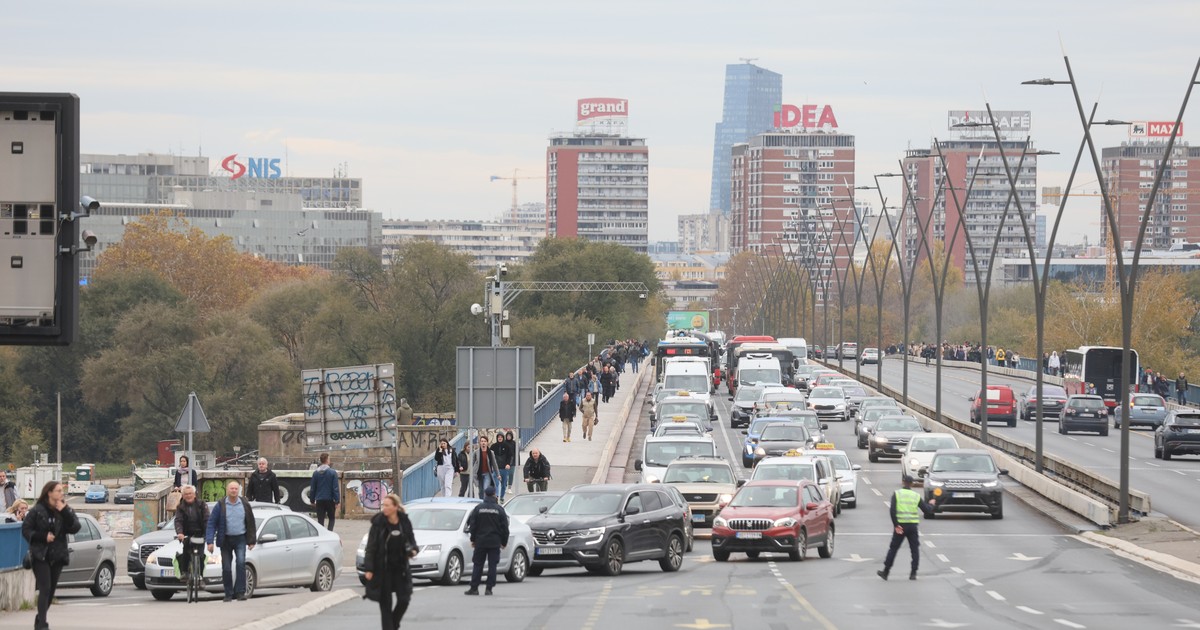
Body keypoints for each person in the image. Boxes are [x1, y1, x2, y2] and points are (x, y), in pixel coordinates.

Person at [23, 480, 80, 630]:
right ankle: (42, 624)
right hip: (40, 555)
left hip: (58, 555)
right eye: (58, 491)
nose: (61, 493)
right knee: (45, 588)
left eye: (62, 490)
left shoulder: (64, 509)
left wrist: (65, 510)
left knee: (51, 590)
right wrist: (43, 537)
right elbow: (26, 530)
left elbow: (75, 527)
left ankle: (39, 617)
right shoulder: (37, 510)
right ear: (49, 492)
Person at [363, 493, 418, 630]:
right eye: (383, 505)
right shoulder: (378, 524)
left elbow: (412, 541)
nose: (384, 508)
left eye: (387, 505)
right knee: (385, 604)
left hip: (400, 569)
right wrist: (369, 569)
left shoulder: (404, 522)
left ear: (395, 507)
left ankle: (393, 624)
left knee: (404, 600)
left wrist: (413, 550)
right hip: (383, 570)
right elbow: (371, 547)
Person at [877, 474, 936, 581]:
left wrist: (896, 525)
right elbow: (926, 510)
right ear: (912, 484)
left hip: (901, 526)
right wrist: (931, 504)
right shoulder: (916, 496)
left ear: (903, 482)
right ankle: (913, 573)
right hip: (912, 527)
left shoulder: (897, 494)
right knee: (914, 550)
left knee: (893, 549)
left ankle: (886, 572)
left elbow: (892, 511)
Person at [206, 480, 257, 602]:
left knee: (240, 564)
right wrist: (209, 541)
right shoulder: (221, 505)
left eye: (235, 489)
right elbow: (212, 523)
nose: (233, 491)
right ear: (227, 490)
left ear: (238, 490)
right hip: (225, 539)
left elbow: (251, 522)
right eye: (231, 489)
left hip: (240, 538)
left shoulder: (244, 503)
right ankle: (228, 593)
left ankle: (240, 592)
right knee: (226, 567)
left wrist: (251, 540)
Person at [464, 487, 509, 596]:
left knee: (478, 564)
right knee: (492, 565)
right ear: (494, 494)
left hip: (480, 541)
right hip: (494, 542)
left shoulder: (478, 508)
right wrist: (504, 542)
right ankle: (489, 588)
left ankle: (474, 588)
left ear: (485, 494)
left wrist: (473, 539)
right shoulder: (499, 509)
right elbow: (505, 528)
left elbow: (472, 526)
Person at [174, 484, 211, 576]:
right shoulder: (180, 507)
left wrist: (208, 533)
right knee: (186, 551)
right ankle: (184, 572)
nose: (188, 495)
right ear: (183, 496)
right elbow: (178, 520)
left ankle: (201, 576)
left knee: (201, 555)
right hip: (187, 534)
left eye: (190, 493)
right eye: (186, 494)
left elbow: (207, 519)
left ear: (194, 494)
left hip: (200, 533)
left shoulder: (202, 504)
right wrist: (180, 533)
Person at [310, 452, 340, 531]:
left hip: (319, 499)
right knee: (331, 518)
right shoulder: (332, 473)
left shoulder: (315, 473)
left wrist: (312, 500)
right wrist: (337, 501)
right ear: (327, 460)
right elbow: (335, 488)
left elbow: (313, 488)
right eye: (329, 459)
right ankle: (330, 532)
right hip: (330, 499)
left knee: (320, 520)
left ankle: (322, 533)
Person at [490, 434, 513, 501]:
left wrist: (508, 464)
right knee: (496, 483)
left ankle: (502, 497)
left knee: (504, 485)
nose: (500, 438)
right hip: (495, 469)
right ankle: (496, 496)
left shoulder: (506, 446)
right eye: (498, 437)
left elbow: (510, 456)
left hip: (504, 468)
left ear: (503, 438)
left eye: (501, 437)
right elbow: (490, 457)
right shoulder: (493, 446)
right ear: (497, 438)